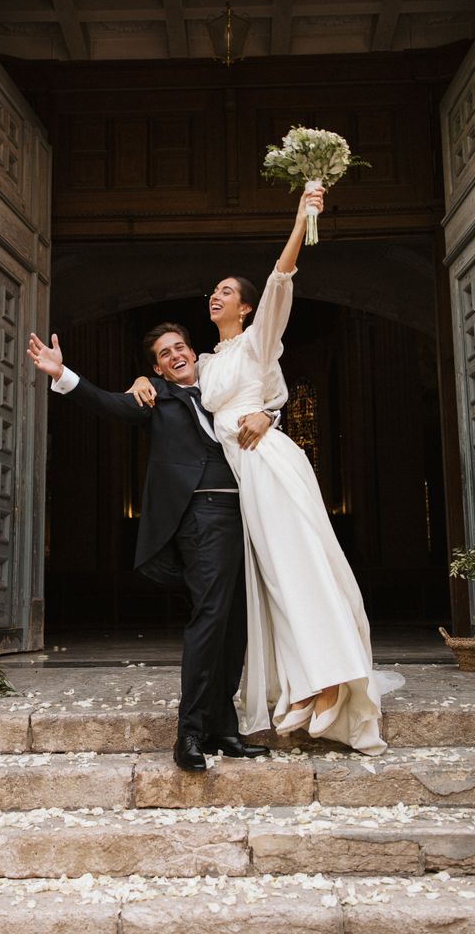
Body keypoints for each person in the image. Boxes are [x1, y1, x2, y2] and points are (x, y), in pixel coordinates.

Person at [130, 190, 403, 755]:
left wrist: (305, 215)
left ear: (247, 309)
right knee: (270, 584)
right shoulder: (205, 361)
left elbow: (281, 276)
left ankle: (331, 682)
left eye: (227, 292)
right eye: (215, 291)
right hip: (237, 480)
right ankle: (304, 682)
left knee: (298, 569)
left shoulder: (258, 342)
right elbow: (173, 382)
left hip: (268, 464)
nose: (216, 295)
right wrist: (141, 383)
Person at [27, 322, 278, 771]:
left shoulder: (224, 384)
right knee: (210, 616)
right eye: (164, 354)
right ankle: (190, 733)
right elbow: (108, 403)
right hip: (201, 516)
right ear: (157, 368)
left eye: (179, 347)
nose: (175, 355)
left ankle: (223, 727)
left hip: (247, 513)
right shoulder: (155, 397)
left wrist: (272, 414)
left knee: (236, 621)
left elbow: (271, 392)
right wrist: (62, 375)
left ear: (194, 352)